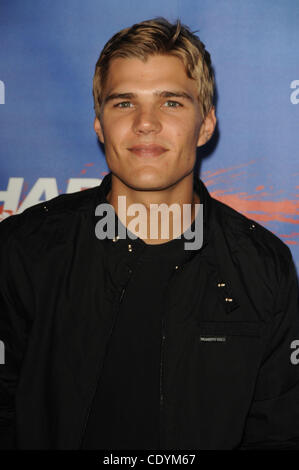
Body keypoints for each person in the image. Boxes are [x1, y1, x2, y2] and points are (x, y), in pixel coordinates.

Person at [1, 17, 299, 450]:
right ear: (99, 124)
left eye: (171, 102)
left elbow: (279, 431)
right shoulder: (23, 249)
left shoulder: (262, 264)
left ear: (207, 124)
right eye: (123, 103)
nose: (145, 123)